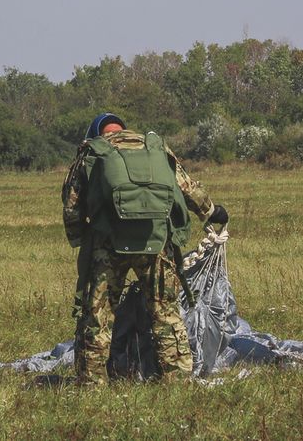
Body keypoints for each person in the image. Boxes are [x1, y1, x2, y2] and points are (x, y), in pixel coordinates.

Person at [62, 113, 229, 385]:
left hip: (108, 244)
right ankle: (176, 379)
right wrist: (212, 212)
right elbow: (187, 187)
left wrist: (81, 237)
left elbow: (72, 206)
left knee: (98, 316)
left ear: (95, 132)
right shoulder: (154, 146)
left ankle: (92, 383)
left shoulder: (92, 151)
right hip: (156, 241)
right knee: (165, 311)